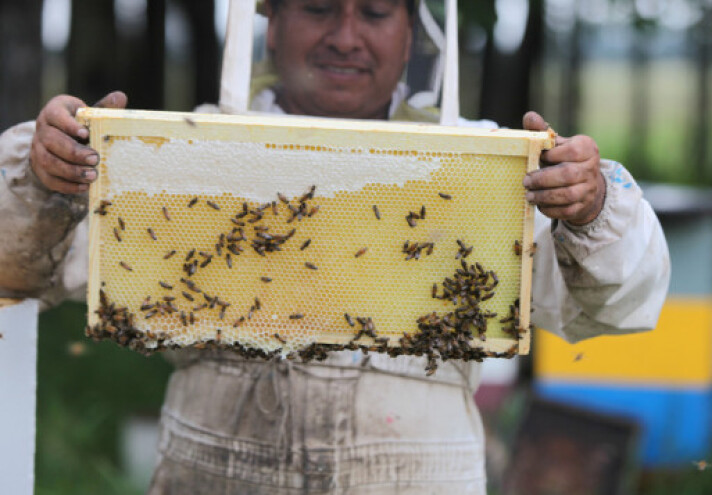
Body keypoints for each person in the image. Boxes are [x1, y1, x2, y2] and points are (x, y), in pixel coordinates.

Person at [0, 0, 670, 493]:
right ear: (271, 20)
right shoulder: (178, 154)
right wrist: (43, 177)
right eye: (318, 8)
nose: (346, 37)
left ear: (411, 32)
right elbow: (19, 267)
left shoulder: (489, 170)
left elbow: (618, 303)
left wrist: (593, 209)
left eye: (374, 12)